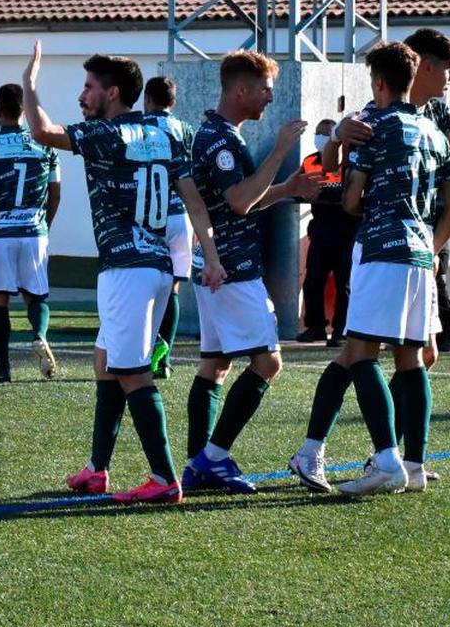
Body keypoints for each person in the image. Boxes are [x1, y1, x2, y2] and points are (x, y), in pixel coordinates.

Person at [22, 42, 227, 505]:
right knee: (106, 361)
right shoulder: (164, 134)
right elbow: (193, 200)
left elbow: (42, 131)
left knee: (132, 372)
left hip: (128, 271)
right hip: (155, 265)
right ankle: (97, 468)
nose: (82, 96)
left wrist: (29, 82)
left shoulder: (106, 135)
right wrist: (208, 255)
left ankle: (164, 478)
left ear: (113, 93)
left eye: (89, 88)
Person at [290, 27, 450, 492]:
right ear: (420, 66)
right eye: (447, 69)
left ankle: (385, 459)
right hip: (420, 251)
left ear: (378, 80)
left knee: (359, 353)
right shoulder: (429, 128)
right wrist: (430, 250)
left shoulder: (376, 124)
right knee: (410, 357)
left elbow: (348, 193)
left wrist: (357, 189)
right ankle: (398, 462)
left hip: (382, 249)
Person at [182, 51, 320, 493]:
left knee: (215, 365)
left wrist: (286, 189)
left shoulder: (221, 134)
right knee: (267, 362)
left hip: (217, 268)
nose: (270, 97)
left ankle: (196, 463)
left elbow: (239, 200)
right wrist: (280, 150)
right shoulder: (220, 141)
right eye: (264, 89)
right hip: (234, 272)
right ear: (241, 91)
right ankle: (213, 457)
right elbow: (241, 202)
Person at [0, 82, 61, 386]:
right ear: (24, 111)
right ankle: (39, 335)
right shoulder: (45, 144)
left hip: (0, 233)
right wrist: (43, 224)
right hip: (34, 232)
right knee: (36, 296)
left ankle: (5, 368)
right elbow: (56, 192)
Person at [141, 76, 193, 380]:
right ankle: (166, 358)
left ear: (146, 99)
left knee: (147, 285)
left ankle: (146, 350)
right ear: (172, 103)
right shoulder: (185, 129)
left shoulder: (135, 127)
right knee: (173, 286)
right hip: (180, 214)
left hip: (149, 216)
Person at [295, 118, 359, 347]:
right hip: (320, 232)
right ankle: (315, 327)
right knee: (312, 281)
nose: (320, 138)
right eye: (318, 133)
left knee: (344, 285)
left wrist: (325, 195)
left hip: (346, 233)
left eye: (325, 134)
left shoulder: (351, 161)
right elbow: (300, 186)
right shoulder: (310, 161)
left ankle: (341, 331)